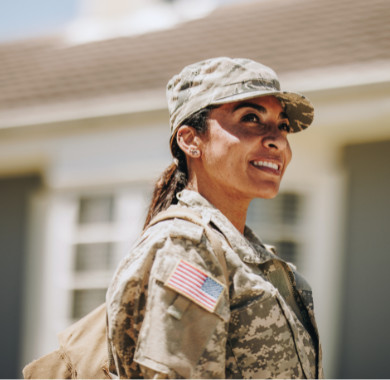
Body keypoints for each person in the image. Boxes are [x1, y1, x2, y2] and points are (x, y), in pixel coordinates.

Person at [106, 57, 321, 379]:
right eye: (251, 118)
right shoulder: (187, 250)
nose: (277, 140)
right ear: (191, 140)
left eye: (283, 125)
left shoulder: (244, 255)